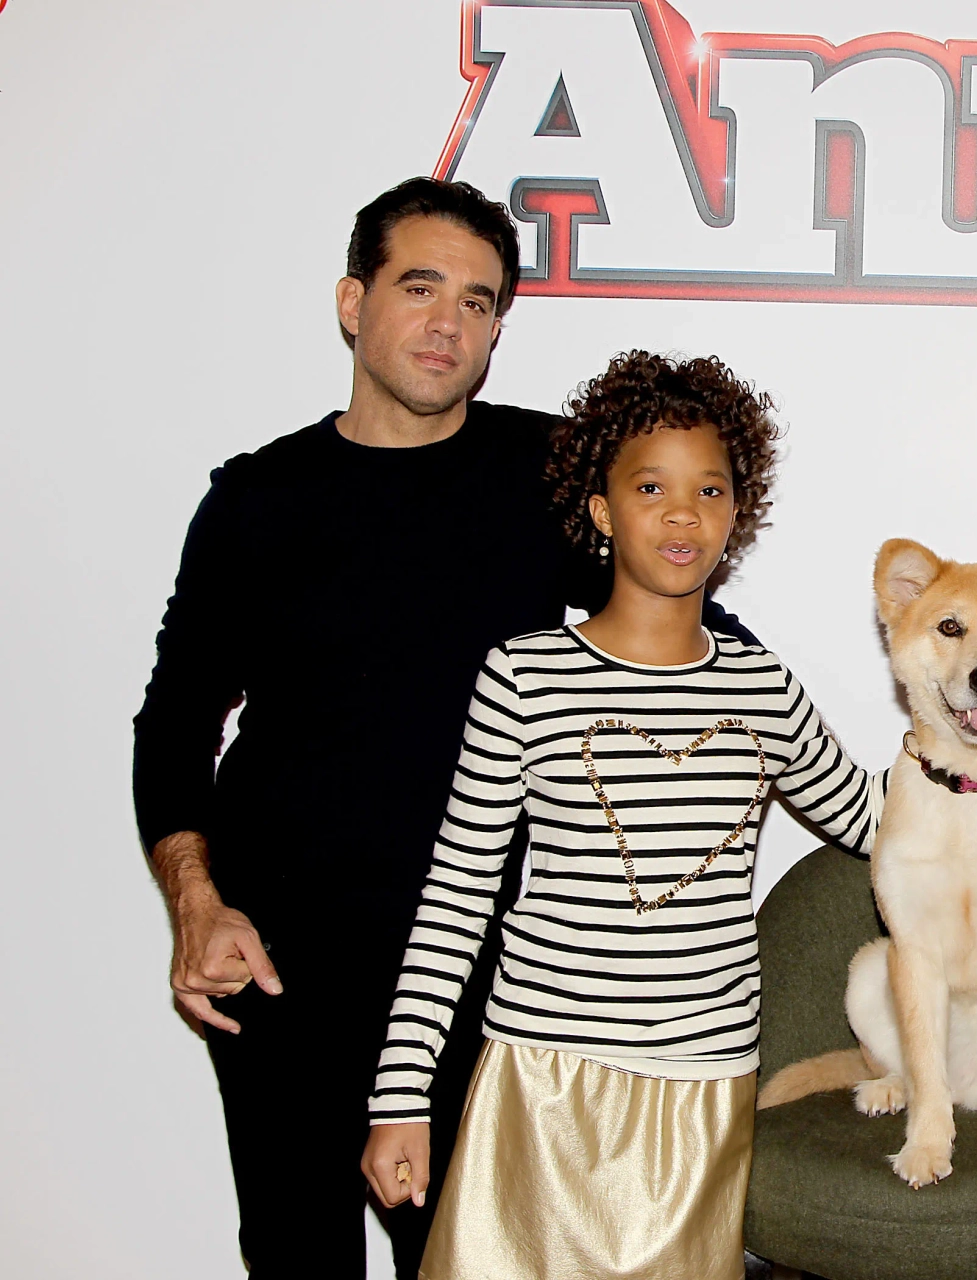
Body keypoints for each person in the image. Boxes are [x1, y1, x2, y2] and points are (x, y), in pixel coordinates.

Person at [131, 177, 754, 1278]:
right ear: (352, 302)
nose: (448, 323)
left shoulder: (547, 473)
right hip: (279, 965)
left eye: (478, 301)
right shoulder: (258, 500)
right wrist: (197, 898)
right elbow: (175, 721)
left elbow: (690, 626)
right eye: (422, 288)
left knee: (475, 1260)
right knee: (293, 1253)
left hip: (478, 968)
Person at [358, 351, 977, 1277]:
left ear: (739, 513)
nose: (682, 512)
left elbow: (875, 818)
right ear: (603, 510)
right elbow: (455, 895)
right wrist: (401, 1093)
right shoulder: (523, 677)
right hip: (539, 1075)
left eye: (711, 489)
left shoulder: (760, 687)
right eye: (650, 486)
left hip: (701, 1085)